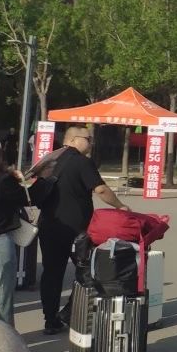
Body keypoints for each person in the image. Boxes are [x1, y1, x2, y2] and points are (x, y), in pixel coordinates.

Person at [33, 125, 129, 334]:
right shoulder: (82, 162)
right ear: (73, 139)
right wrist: (120, 206)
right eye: (88, 139)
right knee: (87, 271)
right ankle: (72, 313)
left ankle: (50, 319)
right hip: (77, 229)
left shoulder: (50, 160)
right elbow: (101, 189)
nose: (91, 143)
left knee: (52, 272)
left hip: (49, 225)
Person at [0, 133, 28, 325]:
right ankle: (2, 344)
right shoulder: (2, 180)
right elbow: (25, 199)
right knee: (1, 308)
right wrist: (19, 179)